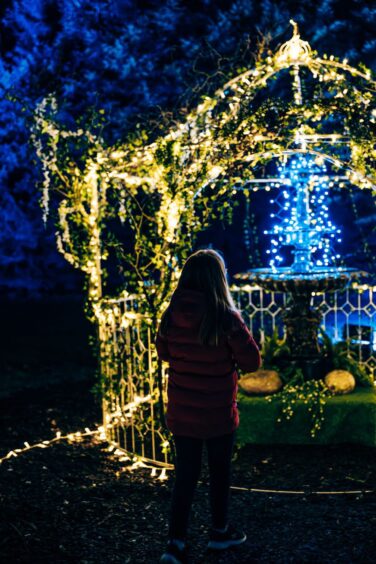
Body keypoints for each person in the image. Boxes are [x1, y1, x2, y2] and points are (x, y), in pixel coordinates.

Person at [156, 249, 261, 564]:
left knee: (185, 474)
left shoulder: (170, 315)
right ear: (219, 280)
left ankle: (175, 543)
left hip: (183, 410)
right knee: (219, 471)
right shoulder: (225, 318)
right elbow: (252, 362)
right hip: (217, 411)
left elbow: (163, 354)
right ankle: (219, 532)